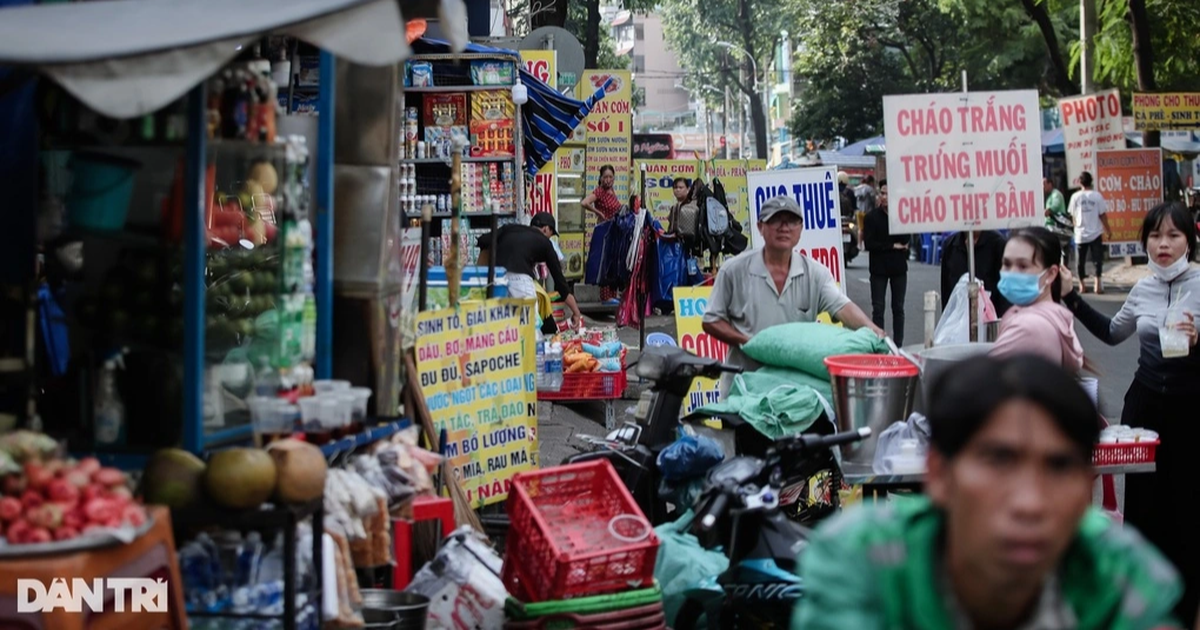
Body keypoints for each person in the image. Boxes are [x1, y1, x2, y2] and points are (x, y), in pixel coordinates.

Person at [792, 354, 1183, 630]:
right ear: (940, 474)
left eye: (1060, 466)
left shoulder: (1119, 573)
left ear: (1087, 485)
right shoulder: (865, 561)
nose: (1029, 503)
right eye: (998, 461)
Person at [1058, 201, 1200, 621]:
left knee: (1188, 512)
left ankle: (1185, 608)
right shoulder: (1142, 288)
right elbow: (1112, 333)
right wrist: (1071, 298)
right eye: (1155, 236)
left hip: (1192, 410)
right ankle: (1142, 609)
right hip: (1145, 407)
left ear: (1189, 240)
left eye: (1173, 235)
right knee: (1144, 511)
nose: (1163, 244)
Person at [702, 195, 883, 396]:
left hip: (795, 395)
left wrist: (874, 331)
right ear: (761, 227)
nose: (784, 227)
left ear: (800, 228)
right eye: (776, 220)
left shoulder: (815, 273)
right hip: (743, 390)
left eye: (792, 220)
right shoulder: (733, 270)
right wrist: (749, 343)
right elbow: (711, 320)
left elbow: (843, 307)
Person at [989, 227, 1084, 372]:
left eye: (1023, 266)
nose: (1012, 272)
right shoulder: (1055, 315)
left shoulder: (1027, 326)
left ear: (1051, 274)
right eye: (1007, 264)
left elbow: (985, 380)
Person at [477, 213, 583, 330]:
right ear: (545, 229)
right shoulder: (545, 243)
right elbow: (560, 283)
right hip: (520, 281)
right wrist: (576, 312)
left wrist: (482, 276)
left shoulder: (509, 229)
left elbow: (482, 240)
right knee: (531, 327)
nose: (549, 238)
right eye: (550, 235)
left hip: (497, 281)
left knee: (504, 326)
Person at [862, 180, 908, 346]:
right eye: (882, 193)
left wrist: (889, 246)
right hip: (878, 269)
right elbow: (869, 244)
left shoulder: (902, 216)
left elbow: (905, 240)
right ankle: (879, 343)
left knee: (898, 308)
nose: (884, 197)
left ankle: (898, 344)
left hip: (898, 269)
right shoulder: (871, 218)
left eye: (888, 193)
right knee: (878, 308)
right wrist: (892, 246)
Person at [940, 229, 1012, 317]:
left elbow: (1005, 294)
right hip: (958, 321)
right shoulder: (950, 246)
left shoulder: (998, 244)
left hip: (990, 320)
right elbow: (946, 292)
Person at [581, 165, 622, 303]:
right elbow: (584, 202)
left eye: (611, 177)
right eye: (605, 177)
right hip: (604, 232)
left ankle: (612, 294)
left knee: (612, 263)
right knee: (604, 263)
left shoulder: (612, 192)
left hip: (613, 232)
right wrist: (599, 213)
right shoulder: (599, 192)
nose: (608, 180)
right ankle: (605, 297)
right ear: (600, 178)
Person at [1069, 171, 1113, 294]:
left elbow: (1072, 216)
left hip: (1080, 234)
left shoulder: (1075, 197)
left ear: (1080, 182)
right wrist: (1108, 230)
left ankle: (1082, 286)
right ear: (1091, 182)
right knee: (1097, 260)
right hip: (1096, 233)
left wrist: (1076, 226)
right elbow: (1103, 215)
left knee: (1080, 261)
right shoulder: (1097, 196)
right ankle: (1097, 285)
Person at [1045, 176, 1073, 267]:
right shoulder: (1049, 196)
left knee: (1060, 250)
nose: (1042, 187)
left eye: (1044, 184)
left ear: (1050, 184)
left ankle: (1062, 267)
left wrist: (1047, 211)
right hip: (1052, 227)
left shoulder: (1056, 194)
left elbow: (1054, 207)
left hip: (1057, 227)